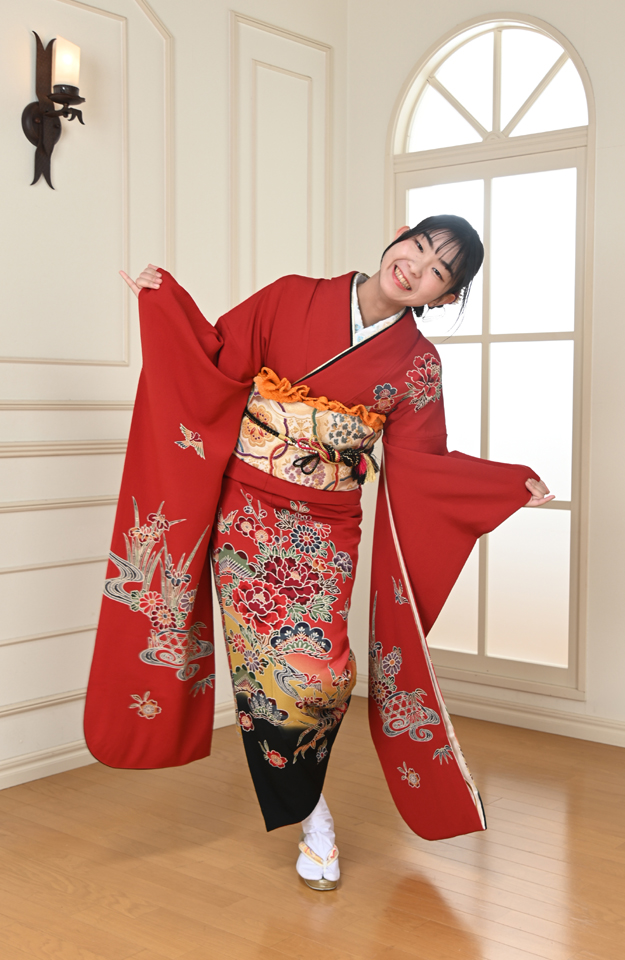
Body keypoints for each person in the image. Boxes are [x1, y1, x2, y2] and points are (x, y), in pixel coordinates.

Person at [84, 215, 552, 892]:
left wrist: (501, 486)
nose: (416, 268)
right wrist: (166, 306)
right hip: (246, 512)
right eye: (419, 247)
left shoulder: (418, 366)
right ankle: (314, 818)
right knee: (267, 672)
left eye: (437, 272)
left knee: (322, 676)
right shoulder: (290, 297)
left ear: (444, 297)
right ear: (399, 236)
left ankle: (304, 795)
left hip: (327, 525)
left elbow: (424, 464)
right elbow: (214, 359)